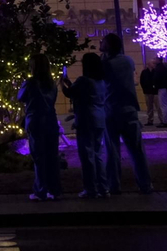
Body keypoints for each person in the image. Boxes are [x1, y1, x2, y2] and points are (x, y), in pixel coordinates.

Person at [100, 33, 153, 194]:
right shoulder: (128, 61)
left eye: (103, 42)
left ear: (108, 46)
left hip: (111, 110)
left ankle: (113, 185)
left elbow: (102, 76)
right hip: (130, 110)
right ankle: (145, 184)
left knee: (112, 150)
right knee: (137, 150)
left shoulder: (106, 64)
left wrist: (103, 58)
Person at [61, 52, 109, 198]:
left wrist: (62, 82)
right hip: (100, 118)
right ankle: (103, 187)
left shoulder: (83, 80)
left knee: (87, 155)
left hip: (87, 119)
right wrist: (69, 82)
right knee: (98, 154)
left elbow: (70, 93)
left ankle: (90, 189)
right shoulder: (101, 81)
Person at [19, 54, 61, 201]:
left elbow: (21, 97)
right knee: (52, 156)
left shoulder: (30, 83)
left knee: (39, 156)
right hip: (50, 119)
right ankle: (54, 189)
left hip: (35, 119)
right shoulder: (52, 84)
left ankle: (40, 190)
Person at [140, 61, 160, 126]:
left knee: (158, 107)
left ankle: (162, 120)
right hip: (148, 91)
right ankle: (150, 120)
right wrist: (145, 89)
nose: (154, 64)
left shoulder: (156, 71)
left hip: (155, 91)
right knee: (149, 107)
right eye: (152, 63)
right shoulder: (144, 72)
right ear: (148, 64)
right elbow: (142, 81)